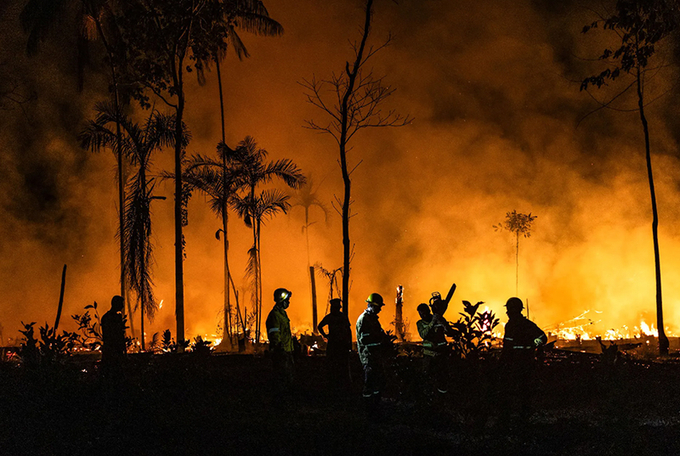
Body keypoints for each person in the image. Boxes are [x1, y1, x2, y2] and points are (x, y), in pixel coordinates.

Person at [499, 297, 547, 424]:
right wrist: (535, 344)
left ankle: (507, 417)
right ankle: (524, 415)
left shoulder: (511, 326)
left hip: (515, 363)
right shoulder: (528, 324)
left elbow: (507, 348)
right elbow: (543, 338)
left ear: (511, 310)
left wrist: (501, 363)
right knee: (525, 390)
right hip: (528, 362)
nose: (507, 313)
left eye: (508, 310)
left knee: (509, 390)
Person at [356, 293, 389, 412]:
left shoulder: (373, 319)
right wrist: (381, 342)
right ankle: (368, 409)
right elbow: (365, 340)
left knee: (378, 382)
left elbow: (379, 334)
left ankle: (376, 406)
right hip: (368, 357)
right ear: (371, 305)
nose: (380, 309)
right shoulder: (364, 319)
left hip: (376, 356)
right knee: (369, 384)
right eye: (378, 307)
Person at [417, 303, 452, 396]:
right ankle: (428, 397)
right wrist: (433, 322)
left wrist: (442, 322)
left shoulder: (439, 320)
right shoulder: (420, 323)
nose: (423, 316)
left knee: (442, 377)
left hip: (440, 354)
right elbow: (424, 334)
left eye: (424, 313)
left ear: (429, 311)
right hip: (428, 356)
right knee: (427, 377)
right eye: (421, 314)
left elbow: (449, 332)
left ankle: (441, 397)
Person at [317, 298, 352, 387]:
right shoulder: (340, 316)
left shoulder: (333, 317)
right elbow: (348, 330)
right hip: (338, 345)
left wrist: (325, 335)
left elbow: (348, 330)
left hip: (337, 345)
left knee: (337, 365)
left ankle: (336, 383)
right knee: (337, 365)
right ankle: (338, 384)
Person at [266, 288, 295, 389]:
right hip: (281, 353)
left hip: (287, 351)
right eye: (287, 301)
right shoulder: (275, 315)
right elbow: (274, 334)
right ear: (281, 301)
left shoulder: (282, 314)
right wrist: (279, 348)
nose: (288, 303)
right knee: (282, 379)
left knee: (289, 378)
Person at [101, 295, 126, 379]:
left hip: (113, 350)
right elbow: (113, 335)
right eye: (121, 304)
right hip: (113, 351)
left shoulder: (108, 317)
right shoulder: (110, 318)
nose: (122, 306)